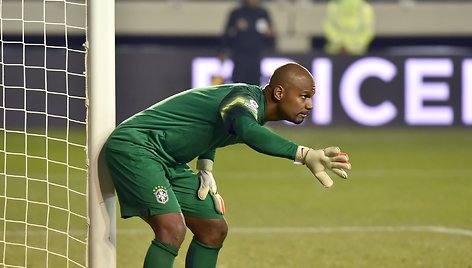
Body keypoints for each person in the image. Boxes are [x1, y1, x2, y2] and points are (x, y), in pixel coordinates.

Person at [104, 62, 352, 267]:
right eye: (304, 96)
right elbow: (247, 130)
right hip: (137, 147)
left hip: (167, 160)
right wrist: (303, 154)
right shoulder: (244, 101)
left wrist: (205, 166)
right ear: (279, 93)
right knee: (171, 229)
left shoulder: (248, 106)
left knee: (213, 229)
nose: (310, 105)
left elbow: (213, 125)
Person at [219, 0, 274, 85]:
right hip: (240, 55)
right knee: (238, 82)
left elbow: (270, 35)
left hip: (256, 55)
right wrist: (222, 51)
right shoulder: (236, 13)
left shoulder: (262, 13)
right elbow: (227, 33)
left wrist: (270, 36)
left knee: (254, 82)